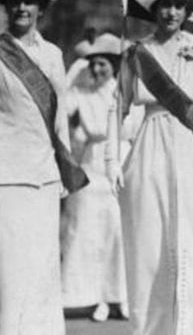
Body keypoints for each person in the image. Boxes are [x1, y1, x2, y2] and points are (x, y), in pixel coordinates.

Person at [0, 0, 88, 335]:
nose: (21, 7)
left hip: (43, 179)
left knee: (40, 273)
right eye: (14, 0)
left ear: (41, 7)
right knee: (7, 276)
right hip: (3, 180)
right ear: (5, 6)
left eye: (29, 0)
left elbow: (59, 116)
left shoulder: (54, 55)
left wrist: (64, 169)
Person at [106, 0, 193, 335]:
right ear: (154, 10)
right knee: (148, 245)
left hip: (190, 147)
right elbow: (117, 107)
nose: (172, 12)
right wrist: (111, 159)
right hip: (150, 148)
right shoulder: (138, 54)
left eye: (179, 5)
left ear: (187, 10)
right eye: (164, 5)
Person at [61, 33, 130, 322]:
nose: (97, 70)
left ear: (114, 65)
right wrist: (76, 69)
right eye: (93, 64)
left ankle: (120, 296)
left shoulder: (126, 93)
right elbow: (61, 107)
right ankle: (93, 297)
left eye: (103, 64)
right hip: (92, 165)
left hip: (120, 161)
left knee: (118, 232)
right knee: (88, 230)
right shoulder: (81, 92)